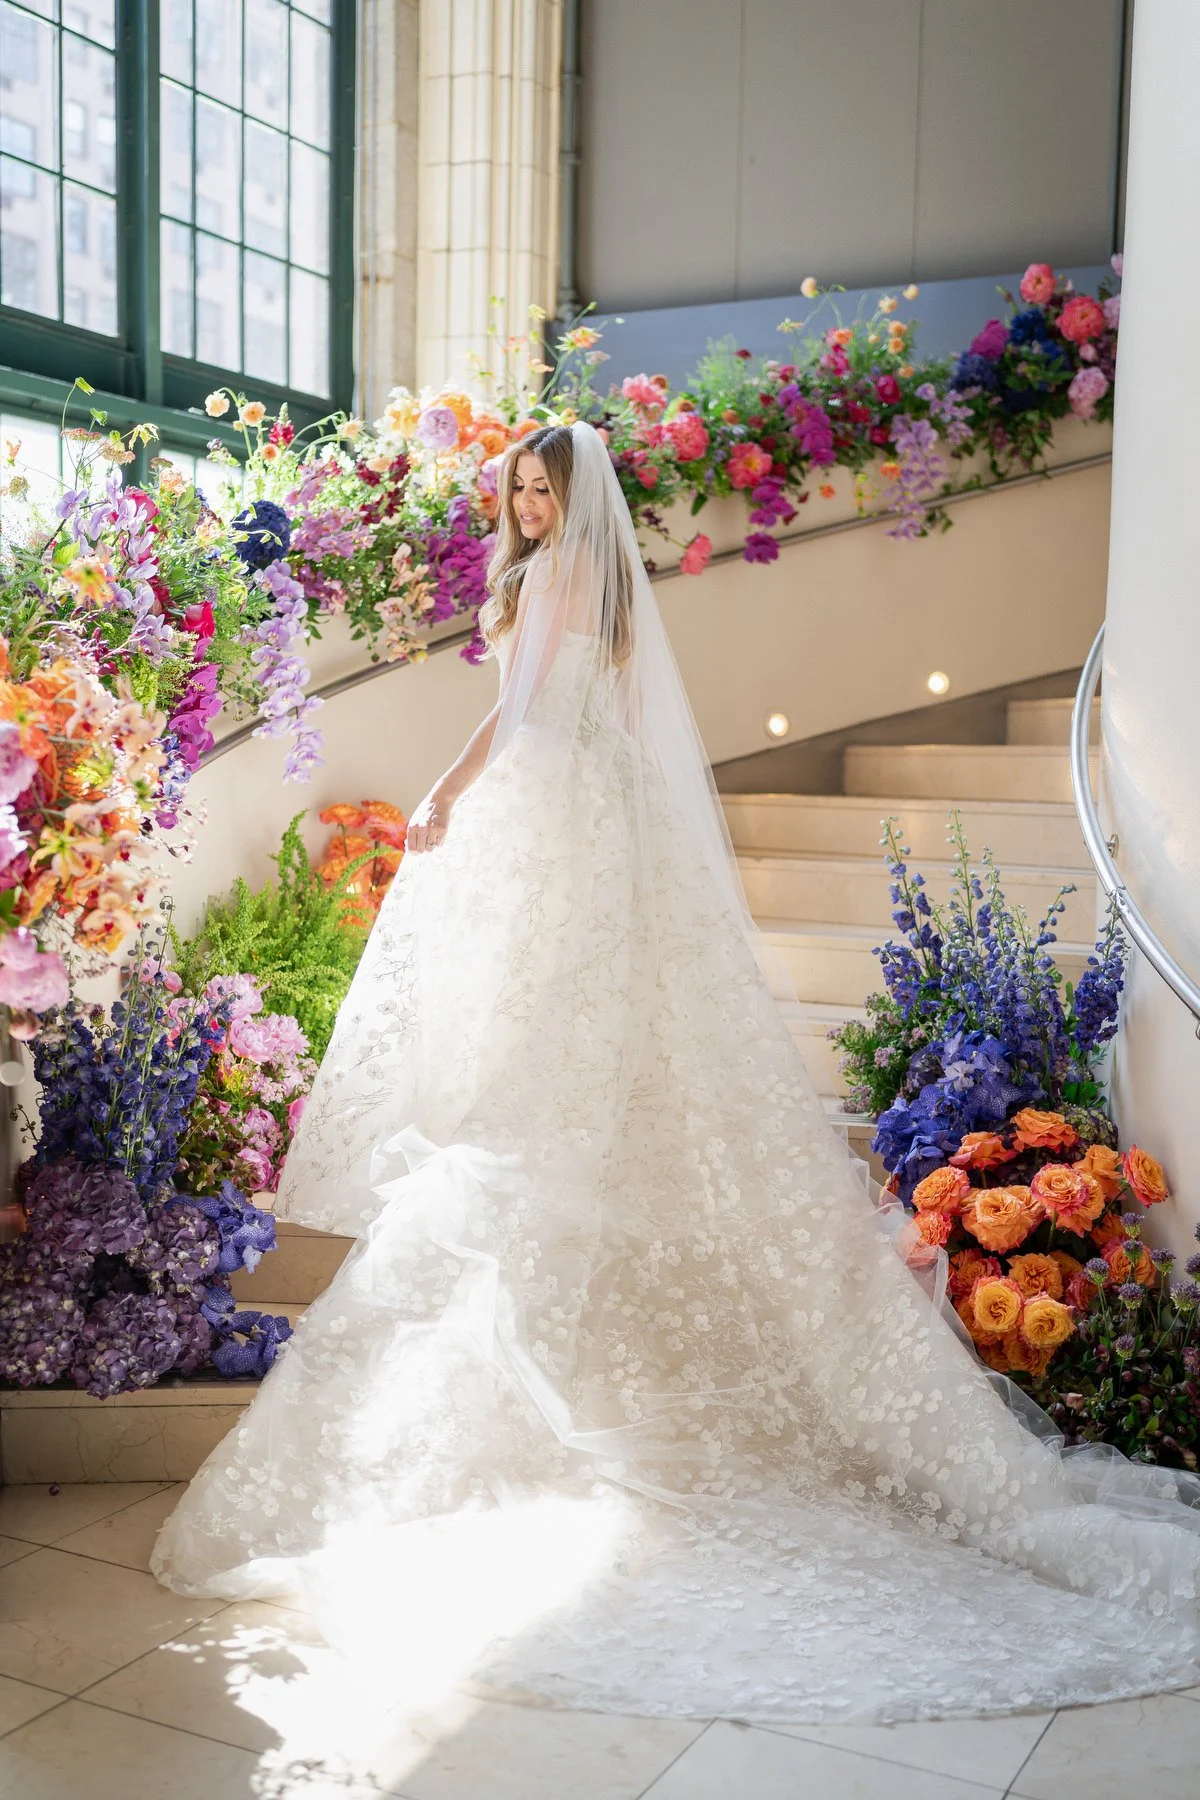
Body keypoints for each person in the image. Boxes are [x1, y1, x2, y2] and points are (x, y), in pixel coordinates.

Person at [153, 420, 1200, 1726]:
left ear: (573, 498)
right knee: (575, 1035)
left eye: (543, 489)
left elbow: (521, 706)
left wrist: (448, 793)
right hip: (587, 813)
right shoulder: (591, 591)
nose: (529, 507)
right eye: (521, 491)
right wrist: (464, 783)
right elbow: (566, 708)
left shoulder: (547, 585)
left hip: (553, 815)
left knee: (539, 1042)